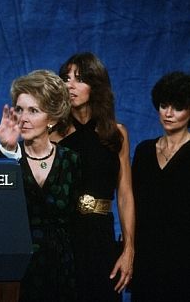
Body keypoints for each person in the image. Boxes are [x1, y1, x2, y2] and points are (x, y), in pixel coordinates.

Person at [0, 70, 81, 301]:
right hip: (18, 269)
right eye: (19, 109)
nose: (23, 118)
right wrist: (8, 151)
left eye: (33, 110)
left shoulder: (71, 160)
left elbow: (75, 222)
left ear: (52, 118)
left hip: (62, 270)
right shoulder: (6, 160)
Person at [49, 52, 135, 302]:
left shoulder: (116, 134)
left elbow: (126, 194)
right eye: (66, 78)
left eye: (79, 79)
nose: (70, 85)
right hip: (64, 238)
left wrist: (129, 249)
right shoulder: (53, 136)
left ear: (96, 86)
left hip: (101, 237)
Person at [131, 72, 190, 302]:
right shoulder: (144, 151)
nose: (169, 113)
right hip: (146, 255)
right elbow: (133, 203)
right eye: (164, 105)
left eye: (177, 107)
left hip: (184, 256)